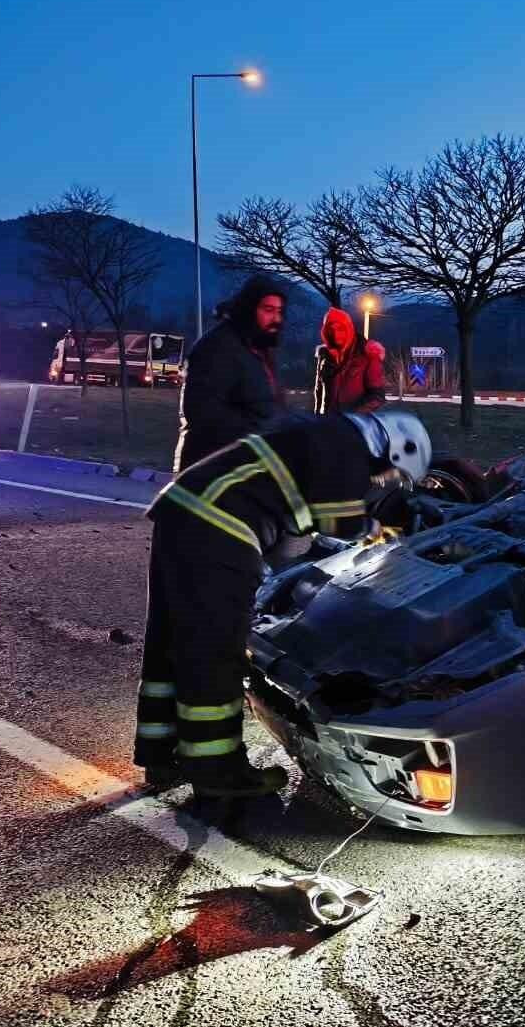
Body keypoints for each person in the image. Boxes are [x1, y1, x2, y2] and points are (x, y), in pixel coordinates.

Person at [133, 409, 433, 798]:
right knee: (218, 650)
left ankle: (160, 754)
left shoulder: (325, 433)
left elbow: (295, 517)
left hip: (185, 509)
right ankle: (219, 770)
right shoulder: (346, 446)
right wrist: (380, 532)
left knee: (170, 636)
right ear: (394, 448)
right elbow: (337, 523)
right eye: (391, 474)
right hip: (221, 525)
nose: (382, 481)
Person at [174, 276, 287, 471]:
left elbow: (267, 405)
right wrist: (263, 436)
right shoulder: (217, 348)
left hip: (247, 469)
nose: (276, 319)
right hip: (211, 473)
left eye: (279, 312)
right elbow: (204, 415)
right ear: (249, 309)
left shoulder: (260, 351)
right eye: (268, 310)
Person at [313, 307, 387, 416]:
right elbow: (319, 392)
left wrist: (352, 416)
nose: (336, 334)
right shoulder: (325, 356)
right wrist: (317, 419)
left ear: (349, 329)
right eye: (331, 330)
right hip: (327, 424)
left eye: (340, 329)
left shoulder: (368, 354)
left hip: (357, 425)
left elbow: (377, 396)